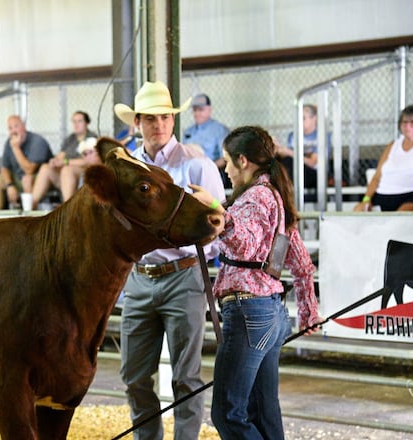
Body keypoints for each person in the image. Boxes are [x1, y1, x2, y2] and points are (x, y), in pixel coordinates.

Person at [189, 125, 322, 439]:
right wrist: (308, 310)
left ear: (243, 160)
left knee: (228, 412)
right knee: (261, 410)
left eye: (227, 162)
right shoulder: (274, 195)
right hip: (269, 312)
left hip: (249, 312)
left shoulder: (255, 197)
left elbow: (245, 243)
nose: (226, 171)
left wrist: (216, 209)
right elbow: (301, 261)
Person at [113, 80, 226, 440]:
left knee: (186, 377)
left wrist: (196, 254)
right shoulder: (126, 167)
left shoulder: (196, 164)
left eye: (164, 117)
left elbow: (218, 221)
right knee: (133, 376)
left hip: (183, 275)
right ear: (137, 123)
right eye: (150, 118)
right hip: (140, 275)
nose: (158, 124)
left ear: (174, 120)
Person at [355, 104, 413, 212]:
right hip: (382, 195)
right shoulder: (393, 145)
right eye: (404, 122)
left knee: (402, 216)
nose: (407, 126)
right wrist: (366, 199)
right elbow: (376, 178)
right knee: (357, 211)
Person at [30, 111, 97, 206]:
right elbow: (61, 155)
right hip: (66, 177)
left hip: (83, 175)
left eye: (79, 121)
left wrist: (66, 162)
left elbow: (88, 161)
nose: (76, 124)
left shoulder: (92, 138)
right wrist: (54, 161)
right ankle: (31, 205)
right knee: (45, 168)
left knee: (67, 169)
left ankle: (67, 207)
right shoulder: (70, 139)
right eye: (74, 121)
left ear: (86, 123)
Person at [0, 115, 52, 209]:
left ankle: (29, 214)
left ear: (24, 126)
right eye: (10, 128)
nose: (13, 131)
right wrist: (10, 185)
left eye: (16, 126)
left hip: (39, 180)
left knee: (27, 179)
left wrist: (16, 148)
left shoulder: (37, 141)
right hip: (18, 178)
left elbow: (29, 170)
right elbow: (4, 168)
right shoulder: (9, 142)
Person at [274, 104, 332, 199]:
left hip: (315, 174)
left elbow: (313, 162)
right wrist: (278, 149)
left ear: (314, 118)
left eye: (303, 118)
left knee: (288, 162)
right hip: (296, 170)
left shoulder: (322, 136)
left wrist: (289, 152)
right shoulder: (293, 136)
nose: (299, 122)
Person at [183, 93, 230, 169]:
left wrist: (208, 169)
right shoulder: (188, 131)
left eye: (201, 110)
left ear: (210, 110)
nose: (197, 113)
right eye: (195, 110)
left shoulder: (220, 130)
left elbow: (225, 158)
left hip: (213, 171)